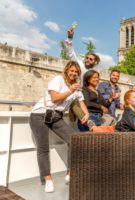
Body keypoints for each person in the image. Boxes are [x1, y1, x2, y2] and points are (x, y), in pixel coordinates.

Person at [29, 61, 90, 193]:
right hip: (39, 115)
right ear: (67, 70)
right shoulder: (58, 79)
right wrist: (70, 90)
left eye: (76, 72)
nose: (74, 73)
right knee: (43, 148)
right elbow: (55, 98)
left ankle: (70, 172)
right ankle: (48, 179)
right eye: (72, 70)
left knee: (74, 141)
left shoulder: (76, 87)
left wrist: (86, 113)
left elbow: (81, 102)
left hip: (56, 116)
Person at [65, 26, 101, 124]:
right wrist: (69, 38)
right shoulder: (79, 64)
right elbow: (70, 53)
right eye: (87, 58)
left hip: (86, 96)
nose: (88, 60)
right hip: (76, 92)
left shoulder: (95, 73)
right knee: (75, 104)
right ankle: (88, 123)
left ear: (95, 62)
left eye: (91, 59)